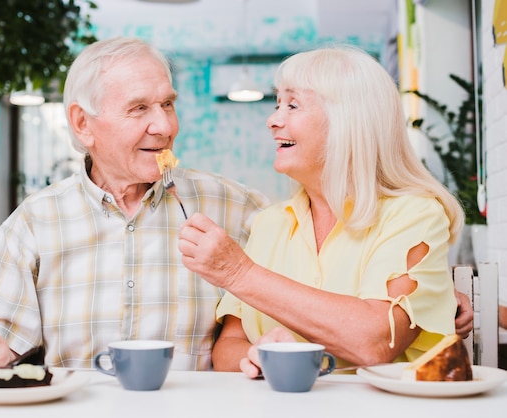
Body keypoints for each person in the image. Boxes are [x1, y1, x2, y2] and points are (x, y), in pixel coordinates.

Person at [0, 37, 269, 371]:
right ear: (83, 124)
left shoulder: (237, 207)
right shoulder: (35, 221)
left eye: (168, 104)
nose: (166, 126)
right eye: (139, 108)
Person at [177, 45, 471, 377]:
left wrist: (239, 273)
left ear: (347, 121)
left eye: (292, 105)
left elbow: (375, 343)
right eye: (277, 104)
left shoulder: (414, 216)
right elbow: (228, 346)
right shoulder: (269, 223)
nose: (273, 120)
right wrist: (254, 355)